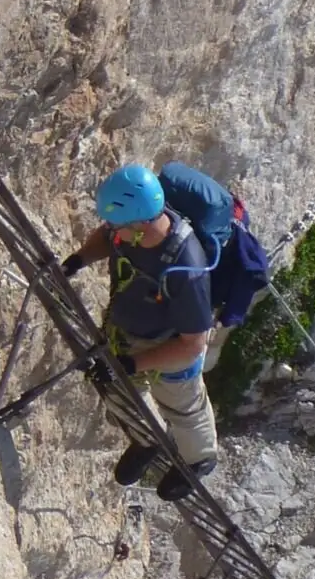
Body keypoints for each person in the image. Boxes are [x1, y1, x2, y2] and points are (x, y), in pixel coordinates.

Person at [64, 163, 219, 498]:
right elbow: (106, 239)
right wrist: (76, 261)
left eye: (118, 225)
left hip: (174, 346)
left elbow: (193, 344)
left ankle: (199, 460)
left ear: (143, 222)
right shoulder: (129, 230)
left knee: (182, 406)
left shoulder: (186, 268)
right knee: (114, 386)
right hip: (130, 332)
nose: (112, 231)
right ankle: (147, 439)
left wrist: (133, 364)